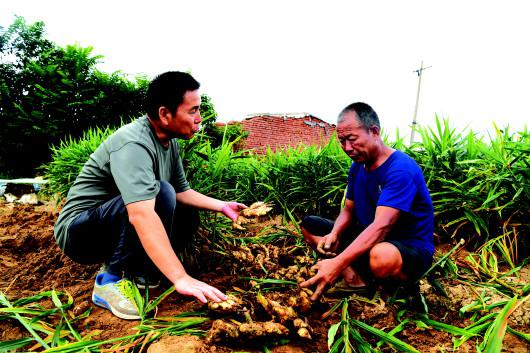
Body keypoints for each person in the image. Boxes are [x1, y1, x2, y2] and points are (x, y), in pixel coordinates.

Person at [54, 71, 246, 320]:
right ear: (165, 114)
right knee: (160, 192)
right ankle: (109, 281)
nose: (199, 119)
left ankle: (142, 273)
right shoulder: (133, 144)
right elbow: (141, 215)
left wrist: (221, 206)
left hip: (116, 223)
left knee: (181, 205)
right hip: (79, 233)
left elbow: (181, 191)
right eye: (193, 111)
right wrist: (181, 277)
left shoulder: (170, 141)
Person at [300, 102, 434, 301]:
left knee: (382, 256)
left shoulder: (400, 169)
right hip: (368, 239)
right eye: (342, 141)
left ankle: (394, 289)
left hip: (404, 247)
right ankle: (356, 281)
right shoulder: (358, 166)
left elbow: (382, 226)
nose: (347, 148)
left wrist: (336, 264)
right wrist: (335, 233)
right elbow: (348, 210)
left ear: (374, 131)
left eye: (352, 139)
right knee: (310, 225)